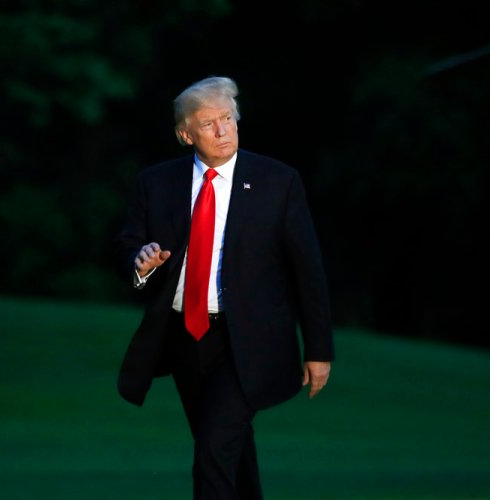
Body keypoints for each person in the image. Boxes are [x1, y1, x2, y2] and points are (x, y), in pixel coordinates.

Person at [113, 75, 334, 499]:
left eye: (227, 119)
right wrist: (141, 263)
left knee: (214, 449)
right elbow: (126, 246)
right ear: (185, 133)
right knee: (227, 449)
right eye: (208, 122)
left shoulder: (277, 181)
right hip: (184, 337)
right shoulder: (156, 183)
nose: (222, 130)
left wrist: (319, 348)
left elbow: (308, 269)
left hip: (249, 339)